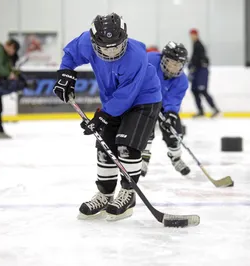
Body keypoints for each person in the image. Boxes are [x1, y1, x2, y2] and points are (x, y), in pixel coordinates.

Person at [53, 13, 162, 221]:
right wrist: (65, 74)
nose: (111, 51)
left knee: (125, 146)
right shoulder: (87, 41)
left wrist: (103, 115)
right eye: (105, 47)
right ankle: (105, 194)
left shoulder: (136, 56)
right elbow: (71, 53)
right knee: (105, 146)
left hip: (143, 100)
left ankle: (128, 194)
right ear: (94, 42)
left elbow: (128, 94)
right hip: (113, 101)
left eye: (116, 46)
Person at [141, 41, 191, 177]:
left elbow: (174, 100)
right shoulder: (149, 59)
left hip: (164, 105)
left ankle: (176, 158)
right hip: (145, 101)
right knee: (145, 129)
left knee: (175, 131)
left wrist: (170, 114)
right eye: (172, 63)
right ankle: (143, 158)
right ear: (164, 59)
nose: (175, 67)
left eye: (179, 64)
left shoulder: (182, 81)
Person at [188, 28, 220, 118]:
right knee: (194, 90)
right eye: (191, 35)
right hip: (196, 71)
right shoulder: (195, 44)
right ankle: (200, 110)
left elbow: (199, 59)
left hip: (201, 71)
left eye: (193, 35)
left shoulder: (199, 45)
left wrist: (192, 65)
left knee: (203, 90)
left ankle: (215, 109)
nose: (192, 37)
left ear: (196, 35)